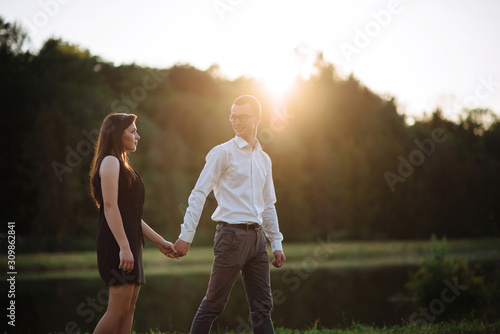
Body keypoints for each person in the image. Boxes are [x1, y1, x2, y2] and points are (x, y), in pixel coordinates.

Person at [174, 95, 286, 333]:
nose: (236, 122)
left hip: (257, 241)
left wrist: (276, 242)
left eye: (242, 117)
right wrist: (186, 235)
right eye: (233, 117)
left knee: (262, 307)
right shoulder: (222, 153)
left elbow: (268, 204)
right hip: (230, 236)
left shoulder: (264, 159)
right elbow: (199, 193)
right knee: (213, 305)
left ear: (258, 118)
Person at [89, 113, 177, 333]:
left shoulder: (123, 165)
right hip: (118, 244)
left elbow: (132, 216)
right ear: (118, 135)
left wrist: (160, 242)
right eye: (133, 131)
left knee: (128, 310)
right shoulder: (110, 162)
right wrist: (124, 247)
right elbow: (109, 207)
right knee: (117, 311)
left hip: (130, 244)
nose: (138, 135)